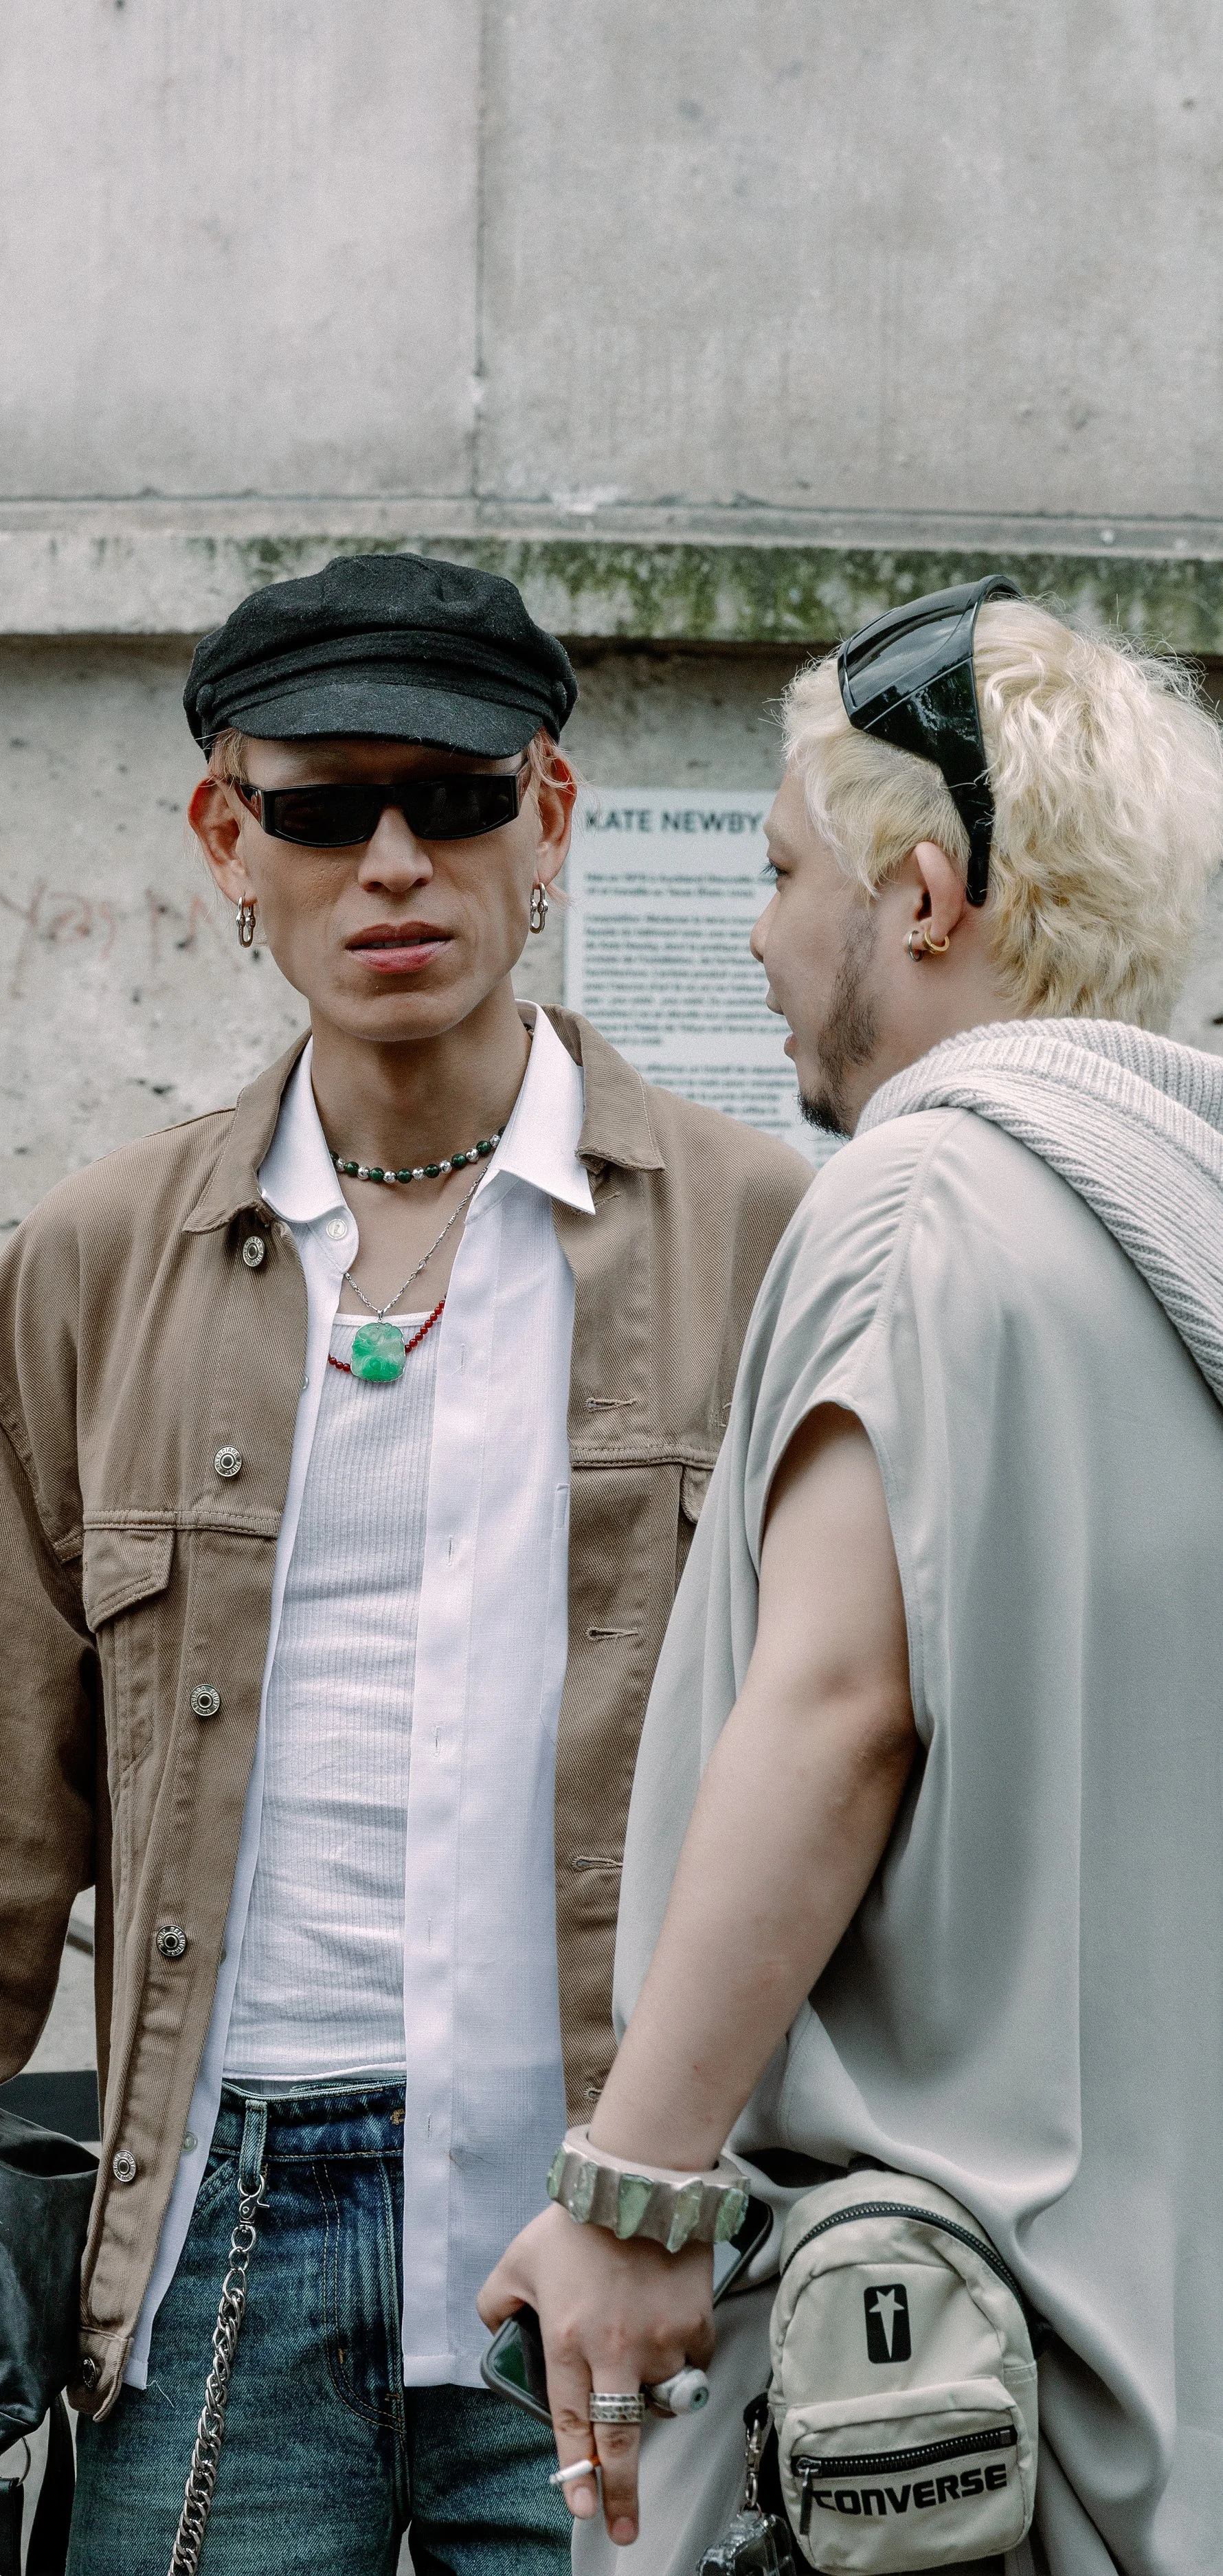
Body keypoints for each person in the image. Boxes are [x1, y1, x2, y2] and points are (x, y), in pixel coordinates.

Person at [0, 552, 810, 2574]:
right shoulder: (93, 1268)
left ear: (548, 817)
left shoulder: (756, 1240)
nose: (393, 861)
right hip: (218, 2221)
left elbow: (848, 1736)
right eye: (320, 808)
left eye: (452, 797)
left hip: (617, 2205)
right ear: (229, 838)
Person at [479, 580, 1223, 2575]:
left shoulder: (916, 1196)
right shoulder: (1179, 1214)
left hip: (923, 2407)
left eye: (781, 865)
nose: (753, 928)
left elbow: (833, 1707)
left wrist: (632, 2195)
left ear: (921, 894)